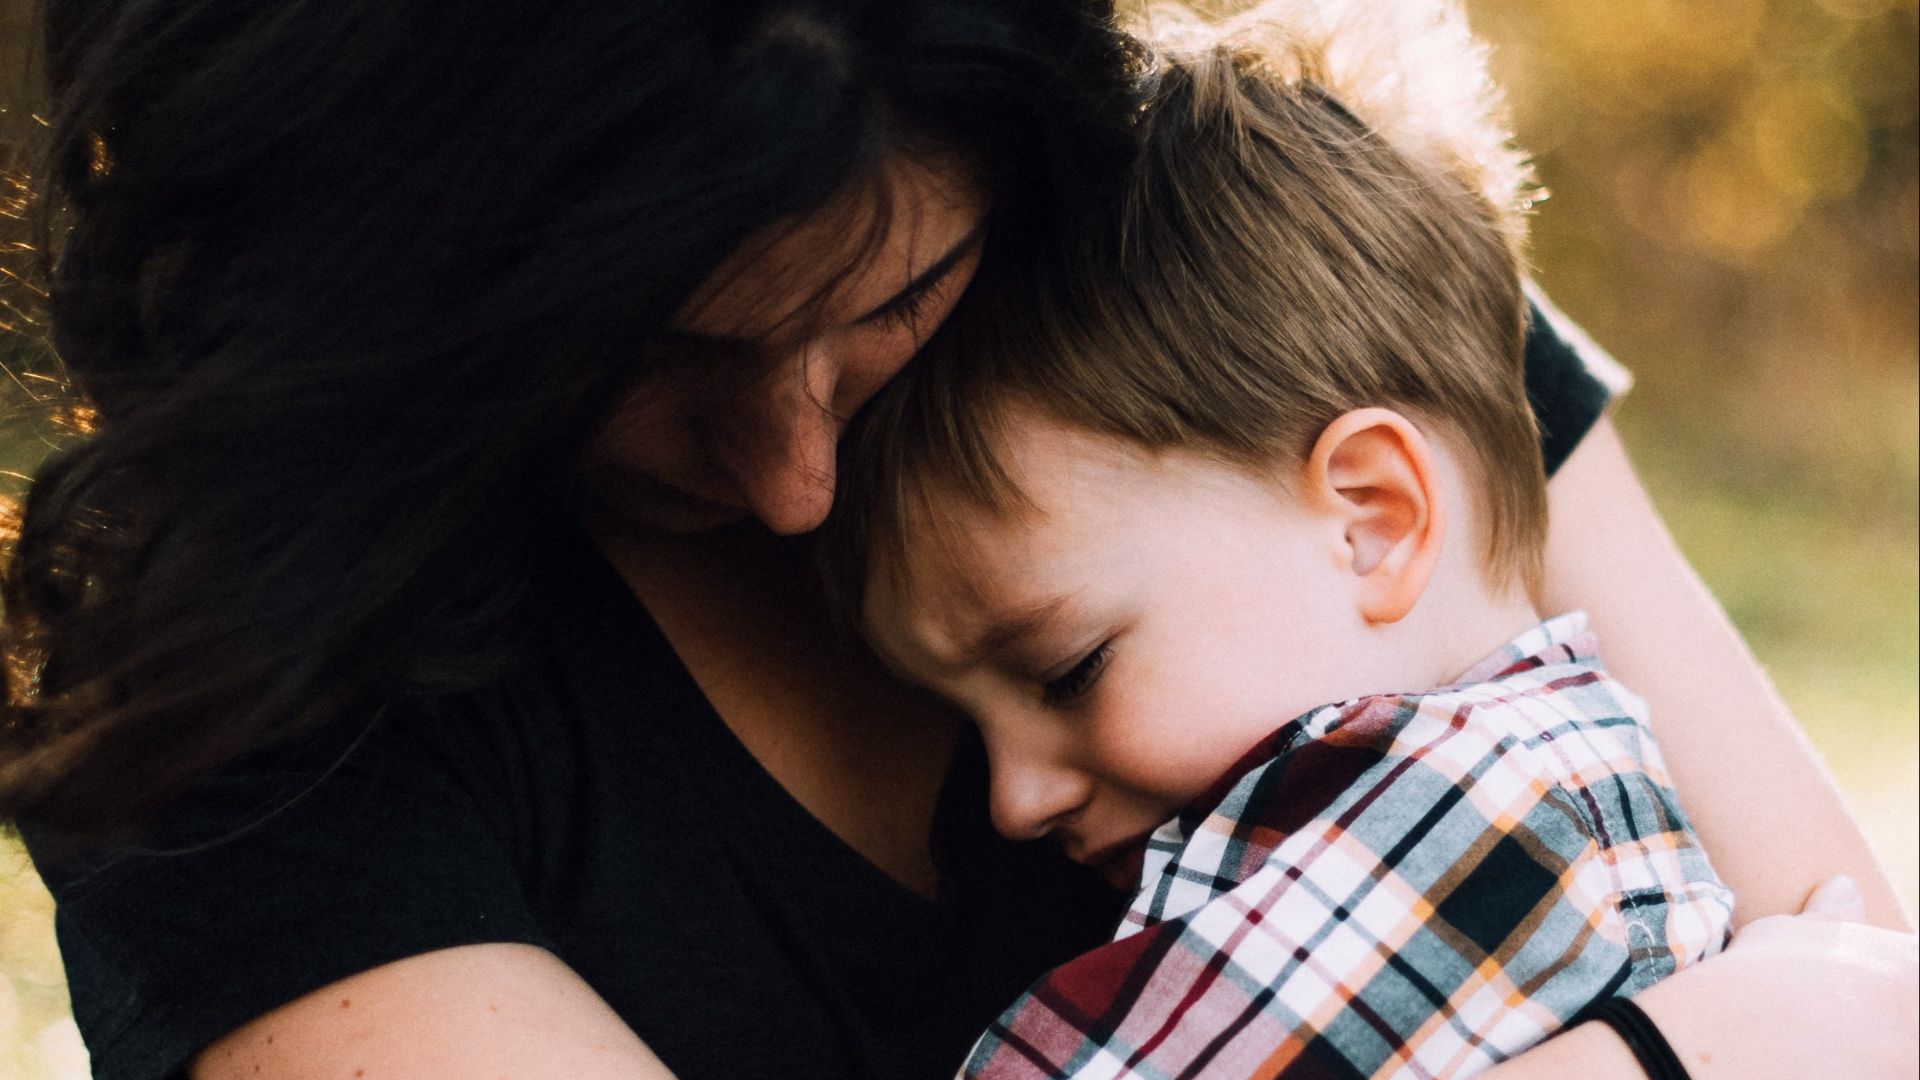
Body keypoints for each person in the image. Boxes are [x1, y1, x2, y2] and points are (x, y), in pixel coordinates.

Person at [0, 1, 1908, 1079]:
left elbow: (1876, 998)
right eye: (638, 360)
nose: (794, 481)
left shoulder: (1257, 284)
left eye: (893, 300)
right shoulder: (243, 696)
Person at [819, 14, 1737, 1075]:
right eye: (966, 722)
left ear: (1371, 521)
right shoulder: (1570, 771)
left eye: (1069, 672)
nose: (1012, 800)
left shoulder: (1454, 821)